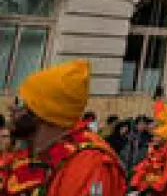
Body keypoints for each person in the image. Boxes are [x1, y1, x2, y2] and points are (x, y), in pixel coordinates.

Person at [3, 59, 126, 195]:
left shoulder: (88, 164)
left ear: (43, 113)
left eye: (19, 103)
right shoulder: (33, 151)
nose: (11, 107)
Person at [131, 105, 167, 196]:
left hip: (162, 191)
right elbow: (144, 167)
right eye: (154, 136)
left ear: (163, 139)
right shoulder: (153, 150)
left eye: (156, 136)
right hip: (148, 188)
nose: (153, 139)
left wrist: (155, 187)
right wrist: (135, 183)